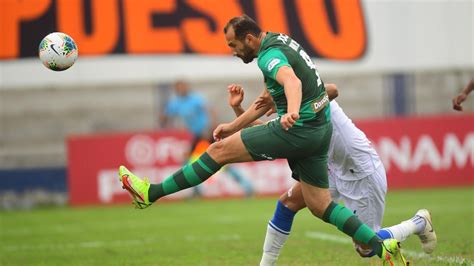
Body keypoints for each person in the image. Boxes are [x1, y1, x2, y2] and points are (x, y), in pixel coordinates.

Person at [118, 15, 406, 264]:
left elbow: (291, 82)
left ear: (250, 38)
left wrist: (291, 113)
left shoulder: (269, 58)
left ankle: (150, 193)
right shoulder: (280, 42)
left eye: (233, 44)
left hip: (299, 129)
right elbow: (268, 102)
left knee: (217, 152)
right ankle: (383, 247)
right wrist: (233, 124)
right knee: (319, 205)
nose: (231, 51)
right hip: (319, 131)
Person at [226, 84, 437, 266]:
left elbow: (332, 90)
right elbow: (268, 132)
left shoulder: (309, 96)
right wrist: (238, 109)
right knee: (287, 203)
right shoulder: (292, 108)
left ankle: (418, 222)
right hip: (332, 170)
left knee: (365, 247)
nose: (266, 96)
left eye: (270, 91)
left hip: (360, 173)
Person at [160, 80, 253, 197]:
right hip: (197, 135)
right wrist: (163, 119)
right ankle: (197, 190)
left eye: (183, 86)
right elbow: (166, 115)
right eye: (179, 87)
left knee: (222, 158)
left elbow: (210, 111)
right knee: (191, 161)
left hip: (207, 133)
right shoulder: (176, 103)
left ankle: (246, 186)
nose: (182, 89)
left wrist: (211, 126)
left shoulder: (196, 99)